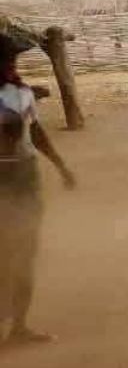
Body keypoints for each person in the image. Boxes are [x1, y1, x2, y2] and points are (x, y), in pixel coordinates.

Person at [0, 34, 75, 345]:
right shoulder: (17, 93)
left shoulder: (21, 92)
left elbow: (36, 131)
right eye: (5, 61)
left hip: (24, 177)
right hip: (4, 178)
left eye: (12, 60)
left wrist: (60, 165)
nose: (11, 65)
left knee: (26, 252)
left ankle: (18, 326)